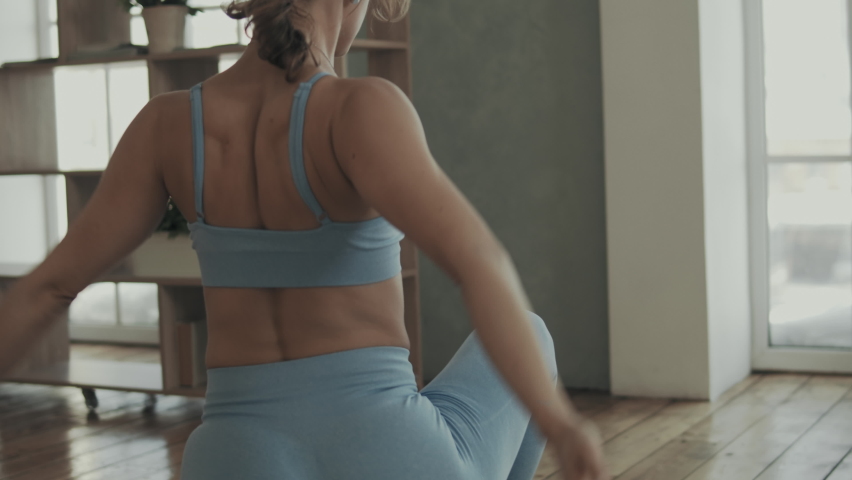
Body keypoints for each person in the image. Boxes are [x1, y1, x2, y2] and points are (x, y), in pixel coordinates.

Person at [0, 0, 609, 479]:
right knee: (531, 332)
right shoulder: (360, 109)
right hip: (385, 452)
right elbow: (478, 264)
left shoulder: (166, 124)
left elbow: (48, 289)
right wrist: (560, 420)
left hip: (228, 459)